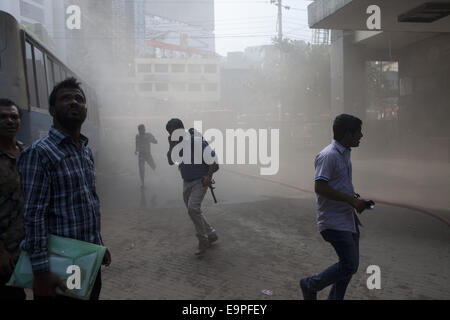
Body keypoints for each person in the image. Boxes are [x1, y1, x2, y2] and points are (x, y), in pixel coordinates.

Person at [18, 78, 111, 300]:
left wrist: (99, 245)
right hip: (59, 265)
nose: (74, 102)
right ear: (52, 110)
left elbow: (88, 203)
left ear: (86, 109)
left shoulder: (84, 151)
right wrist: (41, 272)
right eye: (65, 98)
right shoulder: (39, 153)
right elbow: (34, 216)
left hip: (88, 259)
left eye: (79, 99)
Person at [300, 114, 368, 300]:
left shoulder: (344, 153)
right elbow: (320, 186)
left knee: (347, 267)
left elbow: (339, 184)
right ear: (348, 134)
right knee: (349, 265)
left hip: (348, 220)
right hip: (333, 222)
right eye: (358, 132)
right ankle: (310, 284)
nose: (361, 136)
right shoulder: (328, 155)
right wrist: (351, 201)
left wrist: (355, 198)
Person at [166, 119, 219, 255]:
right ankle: (211, 233)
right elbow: (171, 161)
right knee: (194, 211)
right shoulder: (177, 144)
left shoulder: (196, 141)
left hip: (200, 181)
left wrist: (208, 176)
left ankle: (203, 240)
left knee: (193, 208)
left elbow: (214, 162)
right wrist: (171, 145)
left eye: (172, 133)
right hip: (186, 182)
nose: (172, 136)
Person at [0, 99, 26, 300]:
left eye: (14, 117)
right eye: (3, 117)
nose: (9, 121)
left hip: (21, 250)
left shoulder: (25, 152)